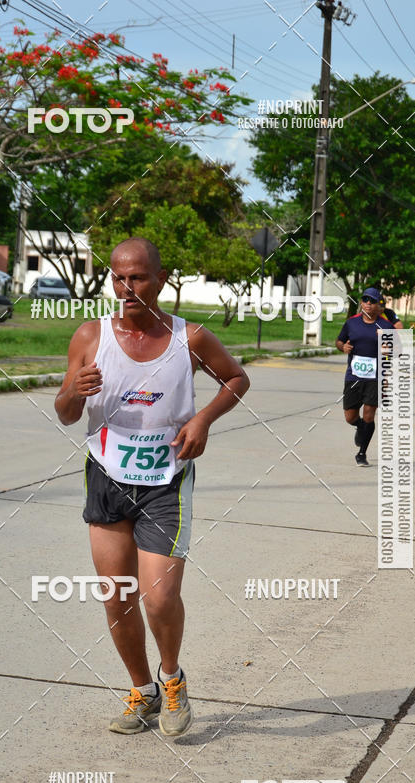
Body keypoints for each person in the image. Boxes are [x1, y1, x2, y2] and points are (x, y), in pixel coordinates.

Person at [55, 237, 250, 737]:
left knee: (159, 598)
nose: (127, 287)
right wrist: (73, 392)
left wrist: (203, 419)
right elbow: (66, 412)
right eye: (118, 278)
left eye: (138, 277)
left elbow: (236, 379)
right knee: (117, 597)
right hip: (106, 476)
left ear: (161, 279)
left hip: (166, 481)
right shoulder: (91, 335)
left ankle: (172, 679)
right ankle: (142, 690)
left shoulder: (191, 338)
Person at [336, 290, 395, 466]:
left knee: (369, 415)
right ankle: (360, 427)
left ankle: (362, 453)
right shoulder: (351, 323)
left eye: (372, 301)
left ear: (378, 305)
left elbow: (398, 351)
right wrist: (343, 347)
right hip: (353, 376)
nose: (368, 303)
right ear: (361, 303)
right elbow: (339, 341)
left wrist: (388, 346)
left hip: (375, 377)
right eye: (365, 300)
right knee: (350, 416)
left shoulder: (386, 326)